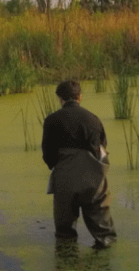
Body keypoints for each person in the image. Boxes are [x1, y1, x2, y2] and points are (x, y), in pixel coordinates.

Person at [41, 80, 116, 248]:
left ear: (60, 99)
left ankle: (68, 264)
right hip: (92, 179)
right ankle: (104, 259)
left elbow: (48, 154)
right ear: (80, 97)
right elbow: (101, 147)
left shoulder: (51, 120)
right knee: (105, 234)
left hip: (65, 178)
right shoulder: (93, 119)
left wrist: (58, 166)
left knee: (64, 234)